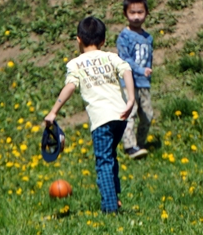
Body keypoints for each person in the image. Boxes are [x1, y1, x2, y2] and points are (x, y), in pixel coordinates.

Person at [44, 16, 135, 214]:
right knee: (110, 157)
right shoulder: (111, 57)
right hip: (120, 117)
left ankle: (110, 208)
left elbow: (70, 86)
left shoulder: (75, 64)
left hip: (101, 121)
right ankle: (115, 198)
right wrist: (131, 99)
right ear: (103, 41)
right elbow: (127, 70)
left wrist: (53, 111)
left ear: (78, 40)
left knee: (103, 162)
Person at [117, 0, 154, 159]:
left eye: (140, 12)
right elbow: (124, 59)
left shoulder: (148, 38)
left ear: (146, 13)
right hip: (129, 82)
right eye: (132, 13)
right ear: (125, 14)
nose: (137, 16)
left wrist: (147, 75)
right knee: (130, 114)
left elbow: (149, 59)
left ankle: (140, 143)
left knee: (147, 115)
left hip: (143, 83)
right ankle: (129, 146)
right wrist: (140, 70)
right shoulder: (124, 37)